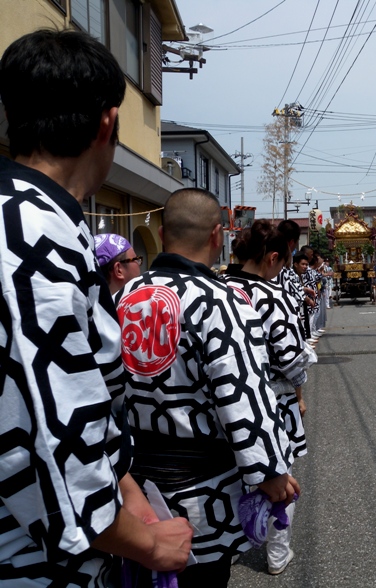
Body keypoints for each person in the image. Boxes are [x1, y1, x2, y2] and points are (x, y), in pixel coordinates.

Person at [0, 29, 192, 586]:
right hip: (35, 558)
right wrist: (149, 543)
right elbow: (49, 429)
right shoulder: (28, 235)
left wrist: (127, 488)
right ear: (107, 122)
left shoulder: (46, 221)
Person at [115, 189, 299, 587]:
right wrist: (271, 471)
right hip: (202, 492)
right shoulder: (222, 301)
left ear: (162, 234)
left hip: (130, 489)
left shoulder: (122, 297)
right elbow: (244, 394)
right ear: (218, 235)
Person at [221, 220, 316, 574]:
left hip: (226, 399)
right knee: (280, 475)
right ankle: (277, 553)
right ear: (273, 258)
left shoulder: (218, 288)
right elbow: (292, 359)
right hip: (272, 400)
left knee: (235, 471)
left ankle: (229, 544)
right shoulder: (273, 295)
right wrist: (301, 377)